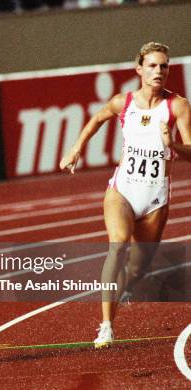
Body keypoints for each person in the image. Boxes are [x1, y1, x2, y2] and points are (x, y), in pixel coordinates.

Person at [59, 42, 191, 349]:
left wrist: (172, 145)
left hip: (155, 199)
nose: (159, 71)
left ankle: (128, 286)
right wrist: (76, 149)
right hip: (123, 190)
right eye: (153, 65)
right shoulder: (124, 102)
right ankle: (106, 325)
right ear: (139, 69)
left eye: (164, 66)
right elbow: (97, 119)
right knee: (117, 246)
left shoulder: (178, 106)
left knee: (136, 269)